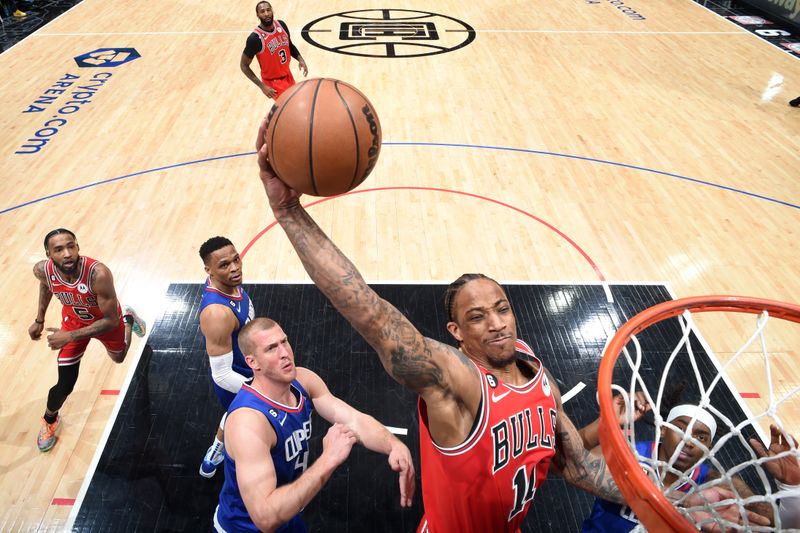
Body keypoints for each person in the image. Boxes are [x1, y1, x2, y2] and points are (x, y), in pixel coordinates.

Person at [256, 138, 628, 531]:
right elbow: (371, 313)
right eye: (478, 317)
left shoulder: (536, 373)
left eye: (502, 309)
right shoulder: (456, 380)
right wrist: (288, 210)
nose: (498, 323)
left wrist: (669, 498)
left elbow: (575, 466)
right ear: (457, 332)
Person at [214, 317, 415, 532]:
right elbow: (265, 518)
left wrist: (394, 445)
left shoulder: (303, 380)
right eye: (272, 348)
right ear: (253, 362)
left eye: (285, 342)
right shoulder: (249, 422)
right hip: (246, 526)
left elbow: (354, 420)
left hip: (288, 509)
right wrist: (328, 459)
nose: (285, 353)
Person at [579, 390, 796, 530]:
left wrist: (791, 488)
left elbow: (775, 526)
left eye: (701, 436)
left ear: (710, 447)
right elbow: (571, 460)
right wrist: (605, 423)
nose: (688, 440)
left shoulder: (716, 482)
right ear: (663, 430)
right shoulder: (627, 453)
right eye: (681, 428)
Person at [29, 228, 146, 452]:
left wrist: (69, 336)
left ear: (78, 247)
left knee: (119, 358)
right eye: (59, 249)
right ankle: (50, 420)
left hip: (105, 322)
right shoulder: (42, 271)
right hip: (74, 322)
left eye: (71, 246)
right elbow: (47, 285)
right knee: (65, 384)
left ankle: (129, 318)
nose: (67, 253)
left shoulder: (97, 274)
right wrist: (39, 319)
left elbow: (111, 320)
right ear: (48, 255)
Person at [198, 236, 255, 478]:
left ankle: (217, 447)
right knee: (238, 417)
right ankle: (218, 450)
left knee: (236, 415)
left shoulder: (229, 283)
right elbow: (221, 375)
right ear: (209, 270)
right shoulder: (217, 314)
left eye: (236, 259)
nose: (234, 268)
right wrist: (260, 389)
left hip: (249, 364)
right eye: (224, 265)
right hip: (235, 377)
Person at [240, 1, 308, 102]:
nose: (266, 14)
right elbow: (244, 66)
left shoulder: (281, 25)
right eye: (262, 11)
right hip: (273, 82)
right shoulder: (255, 39)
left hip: (288, 75)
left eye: (268, 10)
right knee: (291, 107)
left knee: (292, 106)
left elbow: (289, 44)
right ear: (257, 15)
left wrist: (300, 58)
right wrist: (262, 86)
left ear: (272, 11)